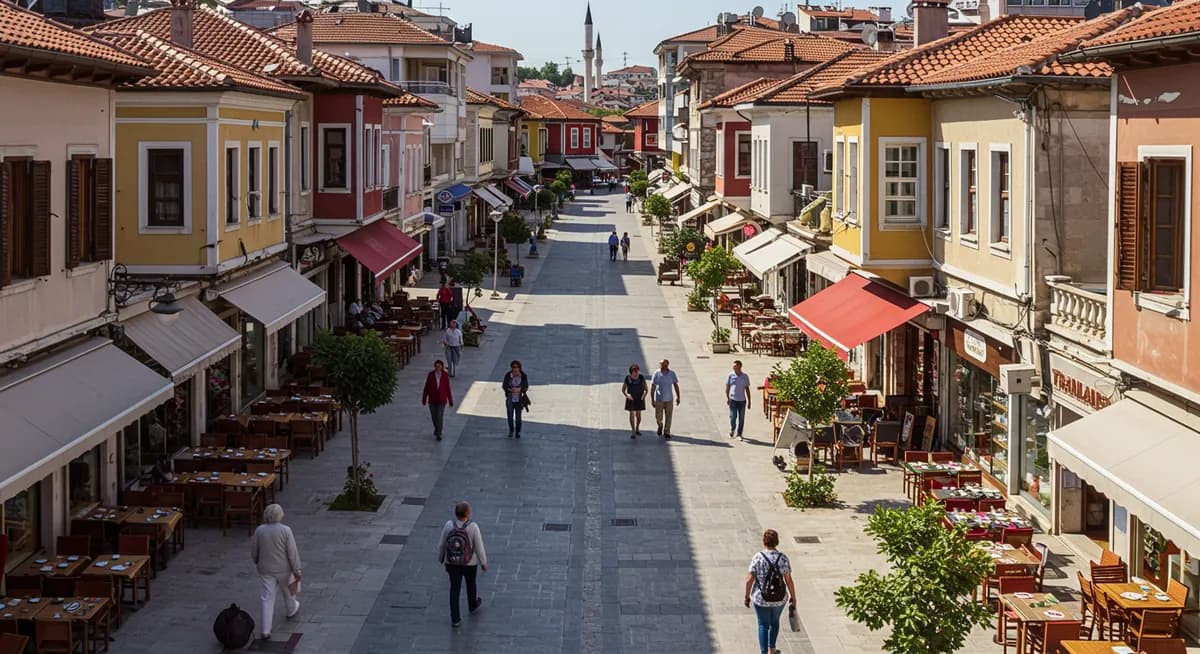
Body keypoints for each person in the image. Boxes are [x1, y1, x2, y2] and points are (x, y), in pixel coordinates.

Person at [251, 504, 302, 641]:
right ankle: (291, 610)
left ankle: (265, 630)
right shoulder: (286, 530)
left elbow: (254, 550)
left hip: (265, 569)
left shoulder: (259, 530)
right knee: (289, 592)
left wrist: (256, 560)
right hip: (284, 569)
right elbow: (292, 552)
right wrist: (296, 569)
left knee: (267, 598)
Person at [744, 529, 797, 654]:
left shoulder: (758, 557)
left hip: (761, 598)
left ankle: (764, 652)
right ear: (777, 541)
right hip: (779, 598)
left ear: (764, 541)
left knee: (763, 625)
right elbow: (788, 580)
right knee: (774, 622)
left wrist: (747, 596)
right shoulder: (783, 558)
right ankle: (772, 650)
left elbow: (749, 580)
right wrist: (793, 597)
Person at [437, 501, 488, 627]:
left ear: (456, 513)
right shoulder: (473, 527)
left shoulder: (449, 525)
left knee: (454, 589)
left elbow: (442, 544)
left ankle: (455, 619)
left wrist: (441, 557)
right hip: (469, 563)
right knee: (471, 584)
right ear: (468, 513)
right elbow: (479, 546)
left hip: (452, 563)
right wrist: (483, 562)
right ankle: (472, 604)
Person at [422, 360, 454, 441]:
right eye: (436, 366)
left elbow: (448, 388)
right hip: (432, 400)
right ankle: (437, 429)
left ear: (442, 367)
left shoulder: (445, 375)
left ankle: (439, 433)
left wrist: (450, 400)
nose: (437, 368)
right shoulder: (431, 375)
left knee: (439, 416)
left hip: (441, 400)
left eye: (439, 366)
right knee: (434, 417)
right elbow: (426, 387)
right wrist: (424, 398)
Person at [650, 359, 681, 438]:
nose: (662, 366)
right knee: (658, 416)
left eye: (663, 365)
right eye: (661, 365)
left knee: (669, 416)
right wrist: (652, 400)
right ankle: (660, 425)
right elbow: (653, 386)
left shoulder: (672, 373)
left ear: (667, 365)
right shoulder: (657, 373)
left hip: (669, 399)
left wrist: (678, 397)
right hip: (659, 399)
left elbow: (675, 385)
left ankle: (667, 431)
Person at [725, 360, 752, 441]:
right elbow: (727, 387)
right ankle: (732, 430)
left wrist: (749, 401)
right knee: (732, 417)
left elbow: (747, 389)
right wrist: (727, 398)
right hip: (733, 400)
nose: (734, 367)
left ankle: (739, 434)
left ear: (740, 366)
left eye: (735, 366)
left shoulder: (745, 377)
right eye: (733, 366)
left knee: (741, 418)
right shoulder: (730, 375)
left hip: (742, 400)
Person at [501, 360, 528, 438]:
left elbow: (526, 386)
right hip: (510, 397)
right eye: (513, 367)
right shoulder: (508, 375)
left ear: (519, 368)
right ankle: (511, 430)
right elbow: (504, 386)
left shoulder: (523, 375)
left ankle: (517, 432)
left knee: (518, 417)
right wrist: (511, 389)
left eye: (517, 367)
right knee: (510, 415)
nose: (515, 369)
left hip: (519, 398)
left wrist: (520, 389)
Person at [621, 363, 648, 438]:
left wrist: (644, 395)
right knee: (632, 414)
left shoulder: (641, 377)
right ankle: (633, 430)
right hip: (631, 398)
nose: (636, 374)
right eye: (634, 372)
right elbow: (623, 390)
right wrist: (627, 395)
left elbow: (646, 389)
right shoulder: (628, 378)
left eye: (637, 371)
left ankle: (637, 428)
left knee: (638, 417)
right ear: (631, 373)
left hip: (640, 398)